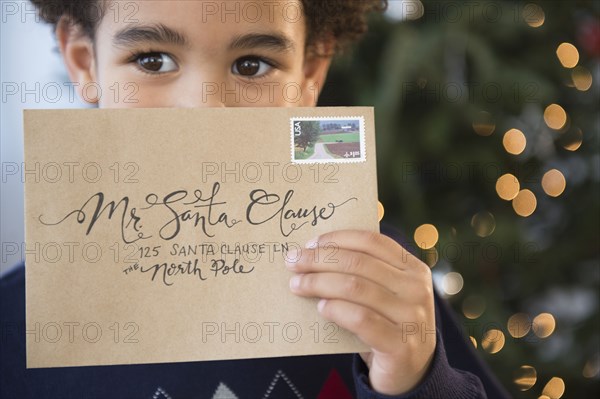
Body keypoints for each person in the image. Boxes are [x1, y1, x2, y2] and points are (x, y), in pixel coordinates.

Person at [0, 1, 510, 398]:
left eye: (252, 64)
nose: (205, 109)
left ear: (310, 73)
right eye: (151, 60)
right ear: (85, 61)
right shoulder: (12, 327)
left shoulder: (375, 280)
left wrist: (417, 380)